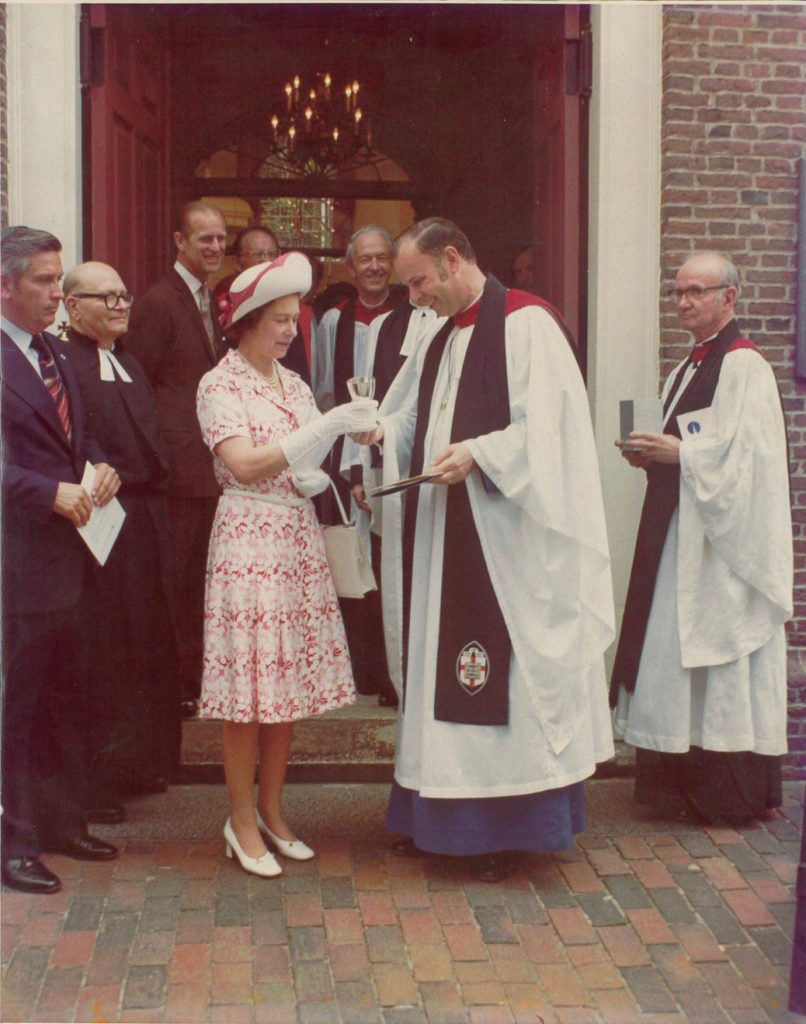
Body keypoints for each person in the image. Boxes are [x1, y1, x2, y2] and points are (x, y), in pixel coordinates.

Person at [354, 218, 615, 881]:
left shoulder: (528, 325)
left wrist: (478, 452)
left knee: (495, 679)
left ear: (451, 260)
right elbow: (415, 417)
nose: (412, 297)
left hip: (506, 548)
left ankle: (504, 829)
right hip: (446, 538)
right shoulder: (444, 335)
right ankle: (437, 817)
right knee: (437, 669)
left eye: (417, 282)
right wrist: (380, 432)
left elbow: (550, 434)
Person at [196, 252, 378, 877]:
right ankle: (239, 820)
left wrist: (350, 432)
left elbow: (303, 468)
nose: (287, 330)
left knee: (285, 687)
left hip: (296, 537)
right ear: (245, 320)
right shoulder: (219, 385)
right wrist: (321, 428)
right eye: (275, 319)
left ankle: (272, 812)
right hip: (249, 538)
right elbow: (245, 464)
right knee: (248, 692)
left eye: (290, 319)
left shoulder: (292, 385)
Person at [611, 252, 792, 824]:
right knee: (674, 660)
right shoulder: (684, 369)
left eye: (697, 291)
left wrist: (681, 453)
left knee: (717, 661)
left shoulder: (744, 367)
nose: (684, 302)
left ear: (729, 298)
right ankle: (680, 782)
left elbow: (750, 462)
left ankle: (727, 792)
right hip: (679, 538)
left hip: (718, 553)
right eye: (678, 292)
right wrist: (652, 456)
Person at [1, 227, 120, 894]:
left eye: (58, 277)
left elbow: (86, 434)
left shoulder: (58, 351)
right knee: (18, 708)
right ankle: (15, 843)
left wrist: (101, 469)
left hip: (75, 561)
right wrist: (50, 493)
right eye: (45, 281)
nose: (57, 292)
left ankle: (62, 823)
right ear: (5, 285)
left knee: (66, 699)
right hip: (18, 566)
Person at [63, 261, 181, 799]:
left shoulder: (129, 361)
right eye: (104, 297)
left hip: (146, 522)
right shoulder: (63, 363)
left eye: (123, 295)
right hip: (98, 527)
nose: (118, 305)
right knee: (105, 650)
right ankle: (101, 780)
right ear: (72, 306)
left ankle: (143, 765)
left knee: (147, 642)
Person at [126, 201, 228, 717]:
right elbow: (138, 385)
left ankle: (199, 679)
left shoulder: (212, 300)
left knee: (202, 582)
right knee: (176, 581)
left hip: (210, 468)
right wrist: (157, 459)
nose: (213, 247)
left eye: (219, 238)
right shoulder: (157, 303)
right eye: (203, 238)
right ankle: (177, 687)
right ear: (179, 241)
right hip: (175, 470)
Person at [313, 225, 404, 698]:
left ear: (392, 262)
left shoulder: (415, 315)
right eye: (363, 260)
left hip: (398, 457)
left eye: (381, 258)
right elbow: (326, 396)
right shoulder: (334, 321)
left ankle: (396, 678)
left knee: (396, 565)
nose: (373, 267)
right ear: (350, 267)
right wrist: (347, 471)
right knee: (354, 569)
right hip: (349, 463)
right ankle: (362, 672)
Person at [347, 296, 442, 707]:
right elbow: (368, 398)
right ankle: (396, 678)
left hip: (440, 468)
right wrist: (360, 471)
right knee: (393, 570)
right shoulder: (384, 325)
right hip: (392, 465)